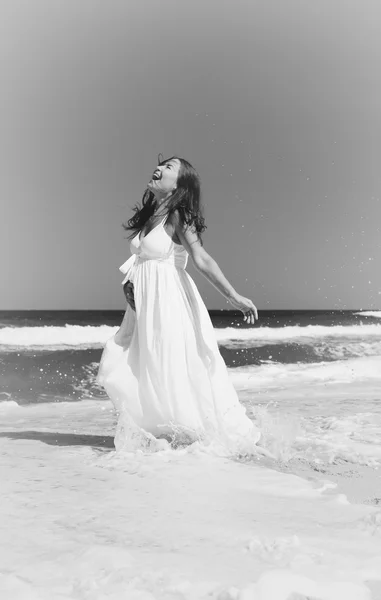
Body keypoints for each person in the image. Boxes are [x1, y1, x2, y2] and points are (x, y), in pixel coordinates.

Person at [97, 155, 261, 453]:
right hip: (143, 308)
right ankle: (159, 434)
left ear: (179, 184)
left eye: (168, 167)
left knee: (169, 365)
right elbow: (143, 261)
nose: (158, 168)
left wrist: (233, 296)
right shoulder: (151, 214)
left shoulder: (178, 214)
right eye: (160, 165)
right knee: (134, 363)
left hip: (169, 301)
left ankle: (189, 438)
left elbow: (201, 259)